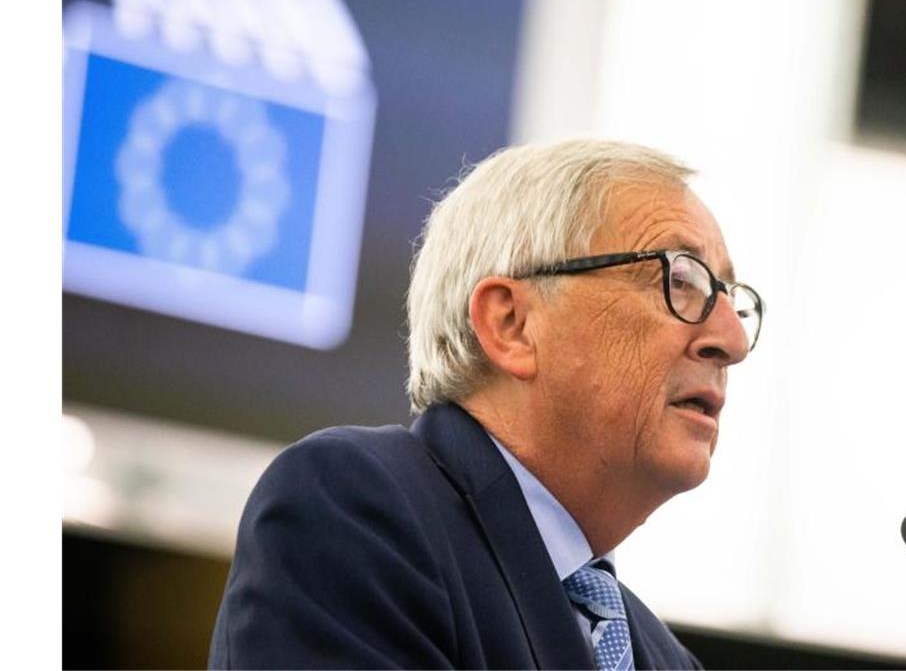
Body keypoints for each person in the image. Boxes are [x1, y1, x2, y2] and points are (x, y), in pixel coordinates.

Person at [209, 139, 764, 669]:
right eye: (680, 279)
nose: (731, 342)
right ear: (512, 325)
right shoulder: (355, 510)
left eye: (730, 299)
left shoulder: (664, 659)